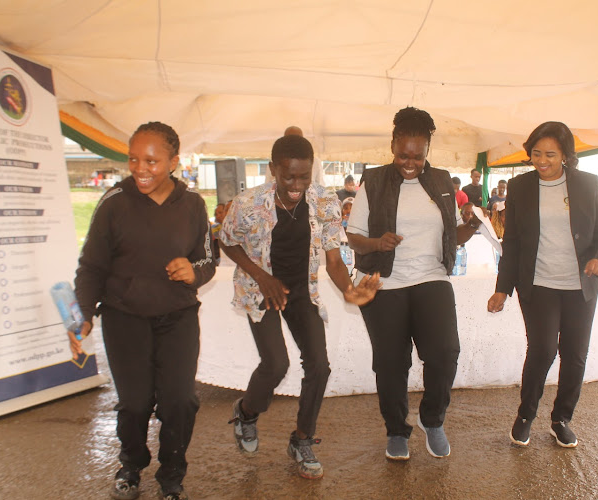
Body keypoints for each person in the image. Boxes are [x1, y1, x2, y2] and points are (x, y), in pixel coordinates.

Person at [219, 134, 380, 480]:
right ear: (273, 169)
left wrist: (350, 290)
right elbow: (227, 241)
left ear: (312, 172)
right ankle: (246, 412)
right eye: (288, 176)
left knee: (319, 366)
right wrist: (262, 277)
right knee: (276, 364)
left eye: (303, 177)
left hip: (301, 289)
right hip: (260, 288)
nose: (296, 185)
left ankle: (302, 440)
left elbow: (334, 260)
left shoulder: (324, 201)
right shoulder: (248, 203)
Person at [70, 122, 216, 500]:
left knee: (179, 401)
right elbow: (91, 266)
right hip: (124, 317)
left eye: (151, 160)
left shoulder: (194, 205)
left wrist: (193, 271)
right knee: (134, 403)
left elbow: (207, 259)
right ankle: (132, 463)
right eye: (133, 158)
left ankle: (172, 474)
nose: (140, 168)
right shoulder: (113, 202)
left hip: (178, 316)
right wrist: (83, 313)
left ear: (173, 162)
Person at [346, 107, 481, 461]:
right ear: (392, 145)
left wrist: (471, 223)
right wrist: (377, 244)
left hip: (431, 277)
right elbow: (354, 237)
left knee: (444, 353)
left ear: (427, 151)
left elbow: (454, 235)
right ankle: (396, 430)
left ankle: (431, 420)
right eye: (403, 154)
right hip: (384, 282)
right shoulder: (373, 182)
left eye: (418, 156)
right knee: (390, 363)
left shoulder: (441, 182)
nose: (409, 162)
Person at [487, 121, 598, 449]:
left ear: (565, 156)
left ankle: (561, 419)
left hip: (580, 286)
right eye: (536, 153)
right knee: (542, 350)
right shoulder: (520, 187)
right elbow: (512, 242)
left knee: (574, 355)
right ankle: (526, 415)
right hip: (539, 284)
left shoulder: (587, 184)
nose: (541, 160)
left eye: (550, 155)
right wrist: (503, 288)